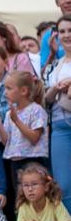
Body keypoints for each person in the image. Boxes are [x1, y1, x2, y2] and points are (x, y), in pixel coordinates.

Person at [0, 71, 49, 202]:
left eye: (9, 88)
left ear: (23, 91)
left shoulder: (36, 110)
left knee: (36, 197)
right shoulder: (11, 113)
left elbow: (34, 138)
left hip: (33, 160)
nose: (5, 92)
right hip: (15, 162)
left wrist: (17, 121)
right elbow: (7, 142)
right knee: (20, 198)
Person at [43, 14, 71, 210]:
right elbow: (46, 98)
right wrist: (56, 89)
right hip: (60, 126)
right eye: (62, 31)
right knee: (63, 185)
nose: (67, 35)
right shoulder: (56, 64)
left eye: (70, 30)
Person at [38, 0, 71, 70]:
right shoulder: (49, 36)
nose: (68, 0)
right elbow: (43, 74)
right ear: (57, 2)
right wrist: (52, 54)